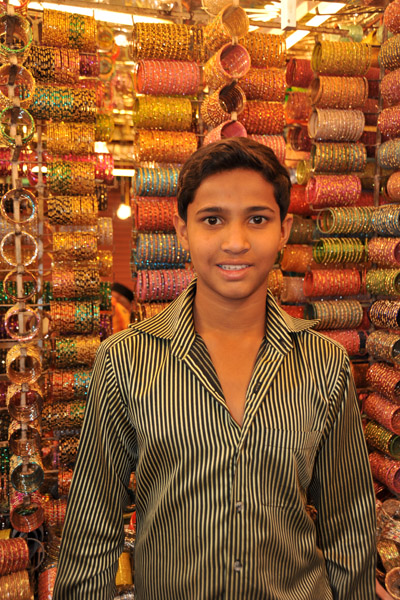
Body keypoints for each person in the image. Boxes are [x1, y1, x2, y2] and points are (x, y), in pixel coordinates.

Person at [53, 138, 376, 600]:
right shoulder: (126, 360)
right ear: (182, 231)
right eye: (213, 220)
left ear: (284, 230)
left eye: (257, 220)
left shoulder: (324, 364)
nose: (236, 242)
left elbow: (350, 526)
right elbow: (92, 529)